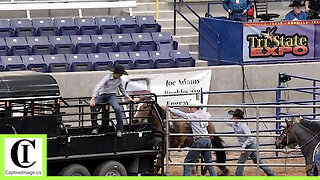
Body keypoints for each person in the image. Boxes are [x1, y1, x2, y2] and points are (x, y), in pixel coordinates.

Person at [162, 100, 217, 176]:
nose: (190, 109)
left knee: (187, 161)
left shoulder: (193, 116)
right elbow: (208, 115)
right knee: (209, 162)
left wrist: (169, 109)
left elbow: (182, 114)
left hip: (199, 141)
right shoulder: (205, 115)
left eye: (190, 107)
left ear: (194, 108)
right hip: (207, 140)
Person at [225, 109, 276, 176]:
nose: (232, 117)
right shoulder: (234, 124)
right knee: (258, 162)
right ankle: (271, 174)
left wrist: (244, 146)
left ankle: (238, 176)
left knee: (241, 162)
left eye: (233, 116)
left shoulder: (243, 126)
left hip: (248, 146)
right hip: (250, 145)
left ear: (236, 117)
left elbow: (250, 138)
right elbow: (226, 121)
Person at [90, 65, 134, 137]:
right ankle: (95, 126)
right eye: (119, 74)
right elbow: (99, 86)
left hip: (112, 95)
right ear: (115, 73)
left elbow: (122, 89)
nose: (120, 76)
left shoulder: (119, 80)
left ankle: (119, 129)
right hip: (102, 94)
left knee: (117, 108)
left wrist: (128, 98)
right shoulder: (107, 77)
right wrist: (93, 98)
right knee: (93, 105)